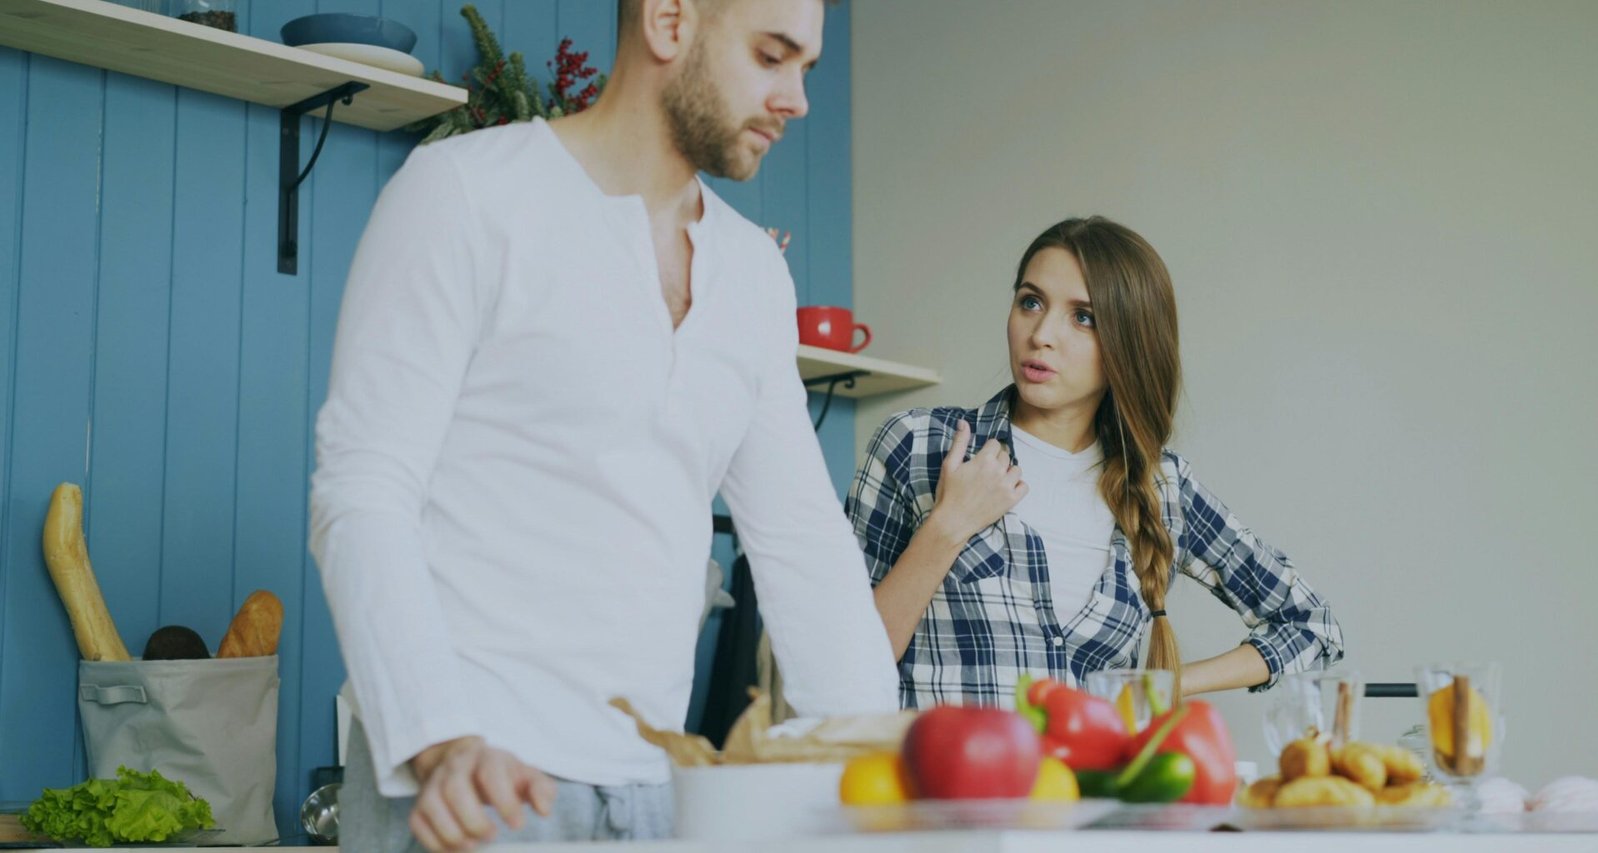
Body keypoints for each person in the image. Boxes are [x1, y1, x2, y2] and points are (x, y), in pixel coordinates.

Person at [309, 0, 897, 849]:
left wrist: (886, 768)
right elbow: (362, 489)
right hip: (469, 785)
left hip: (653, 792)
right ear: (668, 21)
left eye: (806, 68)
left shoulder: (756, 275)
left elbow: (802, 542)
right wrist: (438, 739)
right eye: (773, 56)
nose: (798, 99)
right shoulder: (463, 195)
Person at [846, 216, 1344, 710]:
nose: (1041, 334)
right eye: (1030, 302)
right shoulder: (918, 445)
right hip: (938, 788)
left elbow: (1310, 625)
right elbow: (838, 665)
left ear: (1130, 344)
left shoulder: (1162, 487)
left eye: (1084, 317)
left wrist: (1166, 686)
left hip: (1092, 787)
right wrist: (948, 526)